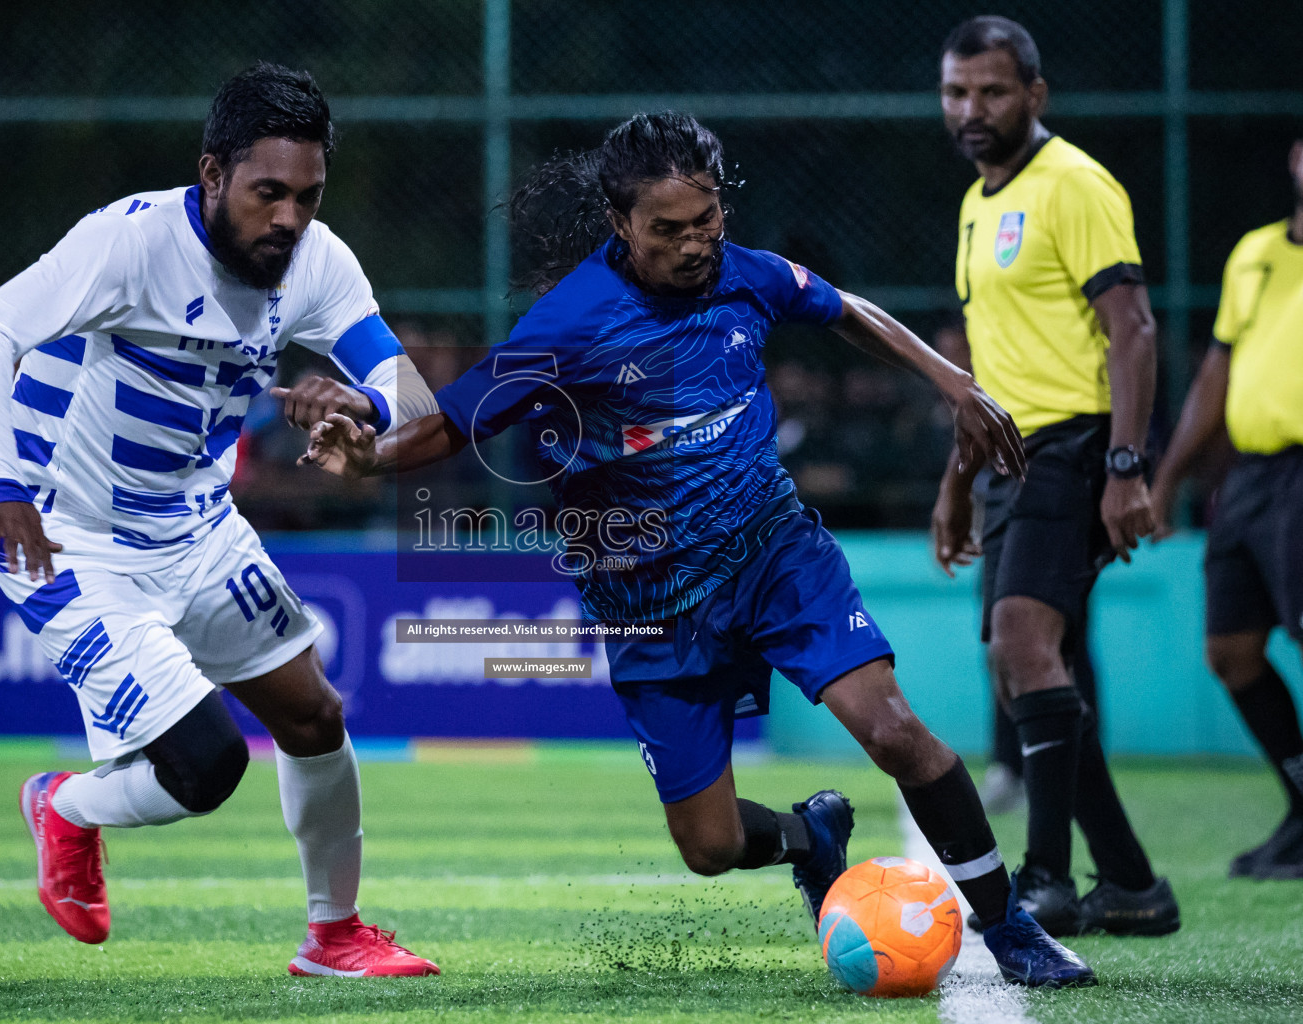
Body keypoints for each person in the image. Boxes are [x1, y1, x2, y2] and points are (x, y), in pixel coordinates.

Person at [299, 111, 1095, 988]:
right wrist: (370, 456)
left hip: (773, 553)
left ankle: (1011, 926)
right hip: (649, 605)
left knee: (895, 730)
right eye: (667, 230)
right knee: (708, 847)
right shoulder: (569, 325)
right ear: (620, 226)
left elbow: (845, 309)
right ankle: (809, 837)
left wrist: (955, 385)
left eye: (706, 220)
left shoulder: (747, 275)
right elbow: (452, 422)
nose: (693, 245)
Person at [0, 62, 441, 976]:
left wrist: (359, 414)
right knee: (207, 768)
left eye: (306, 195)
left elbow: (408, 396)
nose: (288, 218)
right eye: (267, 193)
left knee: (314, 717)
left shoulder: (317, 262)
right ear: (211, 175)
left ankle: (335, 936)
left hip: (196, 527)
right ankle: (66, 806)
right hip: (67, 540)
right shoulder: (128, 245)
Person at [929, 16, 1179, 937]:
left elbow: (1135, 328)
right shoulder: (976, 204)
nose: (972, 110)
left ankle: (1046, 880)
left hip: (1074, 446)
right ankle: (1133, 883)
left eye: (992, 91)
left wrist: (1127, 465)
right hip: (1009, 458)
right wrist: (957, 483)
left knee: (1024, 650)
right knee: (1025, 671)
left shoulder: (1073, 183)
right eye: (957, 92)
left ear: (1035, 95)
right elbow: (990, 372)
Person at [1148, 137, 1303, 880]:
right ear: (1295, 159)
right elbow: (1219, 369)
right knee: (1231, 650)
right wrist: (1169, 475)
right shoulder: (1256, 253)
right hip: (1249, 477)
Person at [931, 317, 1102, 816]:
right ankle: (1020, 764)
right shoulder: (968, 395)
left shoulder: (1012, 380)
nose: (949, 363)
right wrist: (957, 500)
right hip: (1004, 518)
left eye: (954, 350)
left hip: (1045, 499)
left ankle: (1064, 766)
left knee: (1041, 647)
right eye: (942, 352)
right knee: (1011, 650)